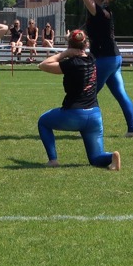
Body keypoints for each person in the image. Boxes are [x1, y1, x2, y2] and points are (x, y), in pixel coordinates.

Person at [37, 29, 121, 170]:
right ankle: (111, 156)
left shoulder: (70, 64)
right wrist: (72, 45)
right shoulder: (92, 59)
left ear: (69, 46)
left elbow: (43, 65)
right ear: (86, 44)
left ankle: (53, 160)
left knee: (43, 122)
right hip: (94, 115)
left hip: (74, 114)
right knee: (95, 158)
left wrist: (65, 53)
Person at [73, 0, 133, 137]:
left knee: (89, 93)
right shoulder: (104, 10)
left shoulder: (99, 11)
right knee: (120, 93)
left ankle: (89, 127)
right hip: (113, 58)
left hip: (105, 59)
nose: (86, 1)